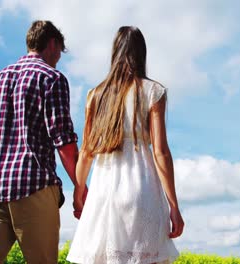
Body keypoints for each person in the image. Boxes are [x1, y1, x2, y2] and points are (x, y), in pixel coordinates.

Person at [67, 26, 184, 264]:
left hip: (104, 191)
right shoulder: (154, 91)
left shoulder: (95, 94)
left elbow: (87, 151)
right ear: (142, 53)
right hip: (142, 189)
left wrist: (79, 192)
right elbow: (161, 152)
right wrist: (173, 205)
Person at [0, 20, 81, 263]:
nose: (58, 59)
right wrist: (80, 185)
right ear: (53, 44)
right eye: (60, 53)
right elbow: (63, 139)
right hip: (33, 187)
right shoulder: (51, 78)